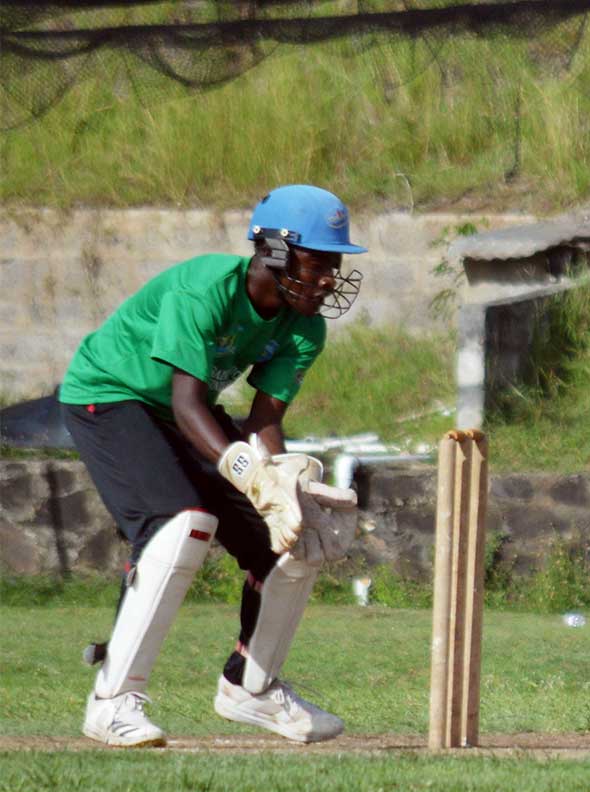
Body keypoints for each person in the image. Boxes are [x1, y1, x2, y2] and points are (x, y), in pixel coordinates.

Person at [60, 184, 366, 747]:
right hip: (109, 395)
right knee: (182, 524)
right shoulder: (203, 288)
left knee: (295, 540)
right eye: (317, 260)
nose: (328, 277)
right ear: (272, 250)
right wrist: (251, 473)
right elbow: (186, 403)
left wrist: (283, 483)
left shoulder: (305, 325)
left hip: (184, 414)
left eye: (335, 263)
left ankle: (252, 686)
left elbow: (263, 422)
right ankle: (113, 702)